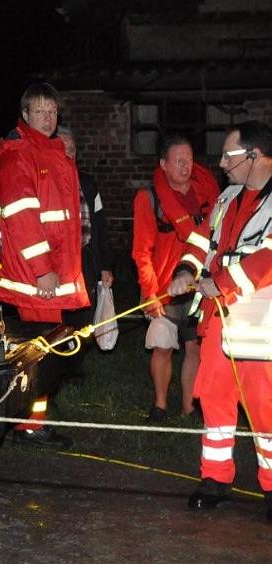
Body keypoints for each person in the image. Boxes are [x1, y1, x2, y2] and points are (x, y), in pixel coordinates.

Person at [169, 120, 272, 520]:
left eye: (229, 155)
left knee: (265, 406)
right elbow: (200, 240)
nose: (222, 163)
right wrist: (185, 269)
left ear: (254, 156)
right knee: (213, 397)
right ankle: (215, 477)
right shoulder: (227, 197)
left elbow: (267, 259)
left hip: (260, 323)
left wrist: (222, 282)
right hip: (219, 317)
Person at [0, 82, 89, 449]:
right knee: (39, 357)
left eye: (53, 112)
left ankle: (32, 422)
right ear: (25, 115)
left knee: (49, 354)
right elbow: (22, 217)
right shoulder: (18, 155)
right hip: (33, 281)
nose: (47, 118)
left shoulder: (52, 150)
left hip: (51, 277)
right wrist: (43, 269)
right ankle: (24, 425)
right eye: (40, 111)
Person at [131, 136, 219, 422]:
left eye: (189, 159)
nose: (185, 165)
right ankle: (159, 405)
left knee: (195, 347)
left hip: (198, 286)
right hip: (164, 289)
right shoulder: (149, 199)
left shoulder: (206, 194)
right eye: (178, 160)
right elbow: (141, 251)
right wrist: (150, 292)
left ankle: (189, 406)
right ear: (163, 164)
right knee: (163, 345)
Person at [56, 125, 115, 379]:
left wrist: (105, 265)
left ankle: (75, 367)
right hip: (57, 264)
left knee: (83, 317)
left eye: (73, 148)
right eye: (63, 148)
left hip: (85, 261)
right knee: (59, 318)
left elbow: (100, 226)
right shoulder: (46, 182)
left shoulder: (88, 184)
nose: (70, 152)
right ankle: (55, 369)